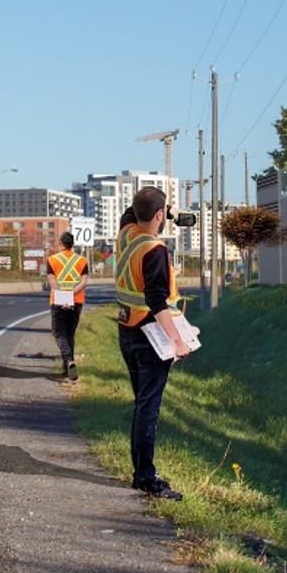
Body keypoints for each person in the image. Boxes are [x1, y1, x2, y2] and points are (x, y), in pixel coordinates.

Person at [115, 186, 190, 500]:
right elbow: (157, 300)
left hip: (127, 333)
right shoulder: (154, 249)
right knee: (149, 410)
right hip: (153, 338)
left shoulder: (126, 236)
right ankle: (145, 477)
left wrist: (162, 210)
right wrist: (178, 341)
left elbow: (131, 213)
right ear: (160, 215)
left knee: (141, 406)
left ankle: (141, 472)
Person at [44, 230, 89, 380]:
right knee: (70, 333)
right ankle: (67, 367)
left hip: (58, 300)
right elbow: (84, 282)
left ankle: (68, 360)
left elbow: (53, 283)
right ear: (72, 244)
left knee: (59, 333)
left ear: (61, 244)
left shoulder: (52, 260)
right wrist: (71, 295)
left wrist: (63, 297)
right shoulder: (82, 261)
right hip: (76, 301)